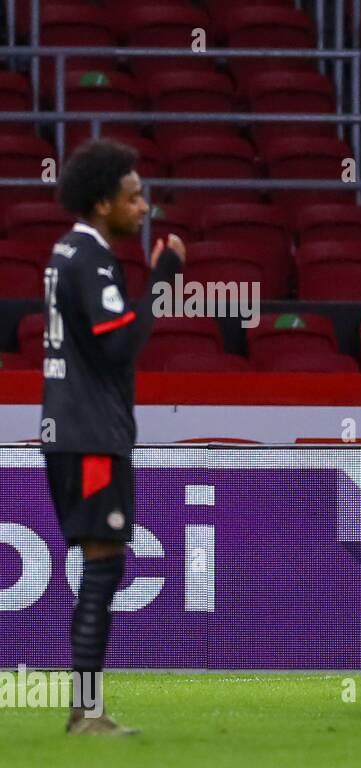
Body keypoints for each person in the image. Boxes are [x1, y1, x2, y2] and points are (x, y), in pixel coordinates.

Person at [42, 138, 184, 736]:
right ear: (102, 202)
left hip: (71, 430)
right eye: (132, 197)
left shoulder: (63, 251)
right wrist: (162, 281)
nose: (143, 206)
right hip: (92, 435)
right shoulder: (92, 257)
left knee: (100, 564)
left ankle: (86, 707)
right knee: (103, 567)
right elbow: (118, 342)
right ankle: (87, 712)